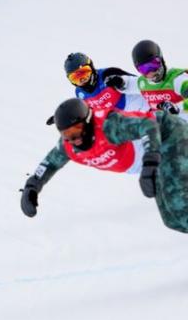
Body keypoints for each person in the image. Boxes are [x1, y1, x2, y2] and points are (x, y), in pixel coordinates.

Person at [20, 98, 188, 233]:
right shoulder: (68, 147)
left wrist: (150, 162)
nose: (74, 138)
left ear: (87, 121)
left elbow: (149, 126)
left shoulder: (108, 126)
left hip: (168, 136)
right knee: (171, 220)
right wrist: (32, 187)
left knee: (180, 208)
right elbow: (49, 164)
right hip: (151, 158)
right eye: (67, 134)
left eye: (77, 129)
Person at [63, 52, 147, 112]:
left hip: (145, 109)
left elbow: (143, 84)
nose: (82, 80)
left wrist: (123, 83)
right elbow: (86, 112)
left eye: (84, 72)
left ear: (91, 67)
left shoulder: (108, 74)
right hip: (126, 124)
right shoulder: (79, 93)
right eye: (75, 78)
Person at [132, 39, 188, 119]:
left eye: (153, 65)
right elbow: (128, 83)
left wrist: (178, 107)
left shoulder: (177, 80)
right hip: (156, 126)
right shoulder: (142, 83)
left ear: (161, 60)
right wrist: (120, 81)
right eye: (144, 69)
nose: (150, 73)